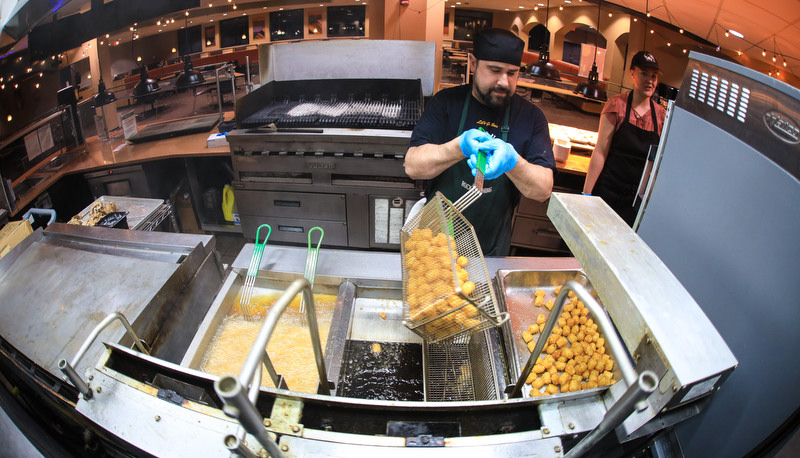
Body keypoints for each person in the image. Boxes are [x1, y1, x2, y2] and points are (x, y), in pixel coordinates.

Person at [404, 28, 556, 256]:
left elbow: (543, 189)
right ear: (473, 64)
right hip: (433, 245)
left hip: (490, 248)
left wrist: (514, 163)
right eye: (494, 70)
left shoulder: (531, 118)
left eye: (512, 73)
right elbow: (413, 166)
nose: (504, 82)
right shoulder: (446, 103)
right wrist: (459, 147)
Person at [582, 51, 667, 226]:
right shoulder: (616, 105)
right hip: (607, 190)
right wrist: (586, 194)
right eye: (644, 73)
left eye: (654, 76)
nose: (650, 80)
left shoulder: (661, 116)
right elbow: (601, 151)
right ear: (632, 73)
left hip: (634, 200)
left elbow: (657, 166)